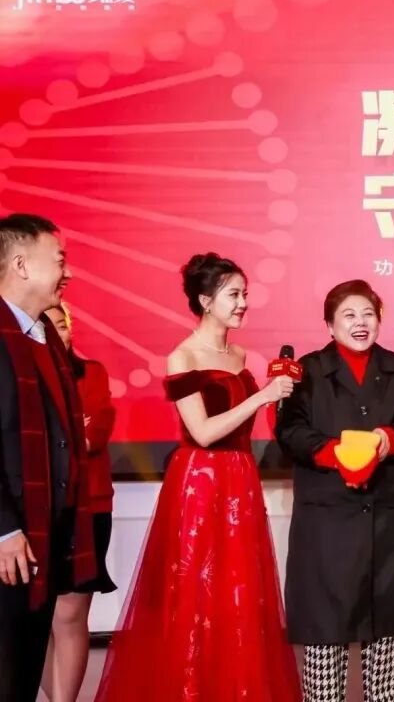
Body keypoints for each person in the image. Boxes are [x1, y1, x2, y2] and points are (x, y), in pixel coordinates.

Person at [93, 252, 301, 701]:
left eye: (245, 293)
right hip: (202, 482)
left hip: (240, 477)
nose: (243, 303)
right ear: (205, 301)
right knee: (197, 592)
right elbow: (203, 432)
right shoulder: (182, 356)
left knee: (240, 591)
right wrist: (260, 397)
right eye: (233, 294)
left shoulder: (238, 354)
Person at [276, 279, 394, 702]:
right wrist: (336, 454)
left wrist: (387, 439)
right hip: (328, 521)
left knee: (391, 631)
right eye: (348, 315)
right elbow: (289, 431)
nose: (360, 323)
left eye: (368, 314)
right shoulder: (307, 370)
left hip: (387, 520)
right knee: (326, 634)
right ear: (329, 325)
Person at [0, 213, 98, 702]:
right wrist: (3, 529)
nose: (69, 272)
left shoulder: (43, 335)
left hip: (42, 541)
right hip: (8, 541)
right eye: (59, 261)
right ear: (20, 265)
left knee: (21, 676)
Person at [40, 304, 117, 702]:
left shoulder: (93, 374)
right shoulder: (20, 377)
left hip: (88, 507)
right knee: (36, 619)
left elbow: (93, 435)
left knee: (69, 615)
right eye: (48, 325)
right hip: (36, 511)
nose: (59, 333)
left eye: (63, 325)